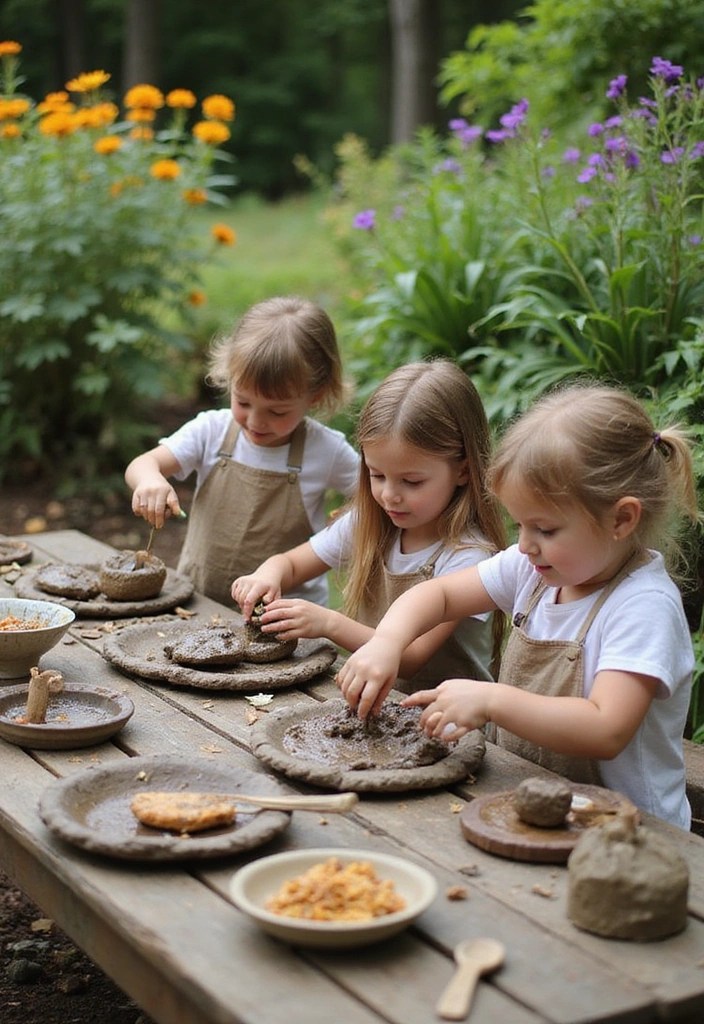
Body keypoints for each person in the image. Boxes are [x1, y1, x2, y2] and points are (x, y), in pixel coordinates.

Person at [336, 383, 699, 829]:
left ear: (622, 519)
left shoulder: (643, 606)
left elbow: (606, 727)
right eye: (520, 524)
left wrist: (491, 700)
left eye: (545, 528)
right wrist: (387, 642)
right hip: (533, 808)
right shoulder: (534, 569)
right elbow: (439, 594)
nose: (524, 544)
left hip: (628, 833)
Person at [233, 359, 507, 691]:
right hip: (373, 700)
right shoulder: (368, 524)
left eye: (412, 481)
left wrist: (328, 623)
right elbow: (290, 564)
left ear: (463, 471)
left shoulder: (468, 557)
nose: (390, 495)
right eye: (377, 475)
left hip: (446, 719)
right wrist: (267, 575)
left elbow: (410, 658)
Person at [125, 296, 359, 606]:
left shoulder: (325, 450)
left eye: (277, 412)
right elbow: (143, 463)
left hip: (284, 616)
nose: (255, 421)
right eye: (243, 401)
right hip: (198, 603)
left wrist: (347, 520)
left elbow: (376, 496)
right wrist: (149, 480)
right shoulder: (211, 431)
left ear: (315, 396)